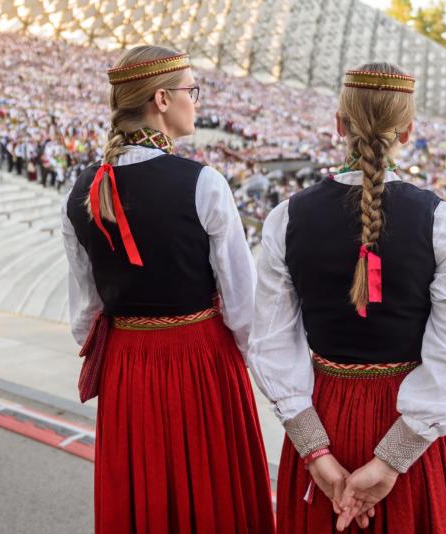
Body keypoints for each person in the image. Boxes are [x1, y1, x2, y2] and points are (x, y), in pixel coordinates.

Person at [248, 63, 446, 533]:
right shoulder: (441, 221)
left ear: (339, 124)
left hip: (325, 418)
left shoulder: (285, 219)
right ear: (408, 131)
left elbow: (270, 347)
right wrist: (392, 459)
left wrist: (315, 452)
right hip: (415, 436)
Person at [62, 45, 275, 533]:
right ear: (161, 99)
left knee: (146, 495)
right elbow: (242, 307)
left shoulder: (77, 193)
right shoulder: (204, 183)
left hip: (127, 367)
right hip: (200, 361)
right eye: (190, 91)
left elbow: (86, 314)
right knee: (212, 495)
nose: (195, 102)